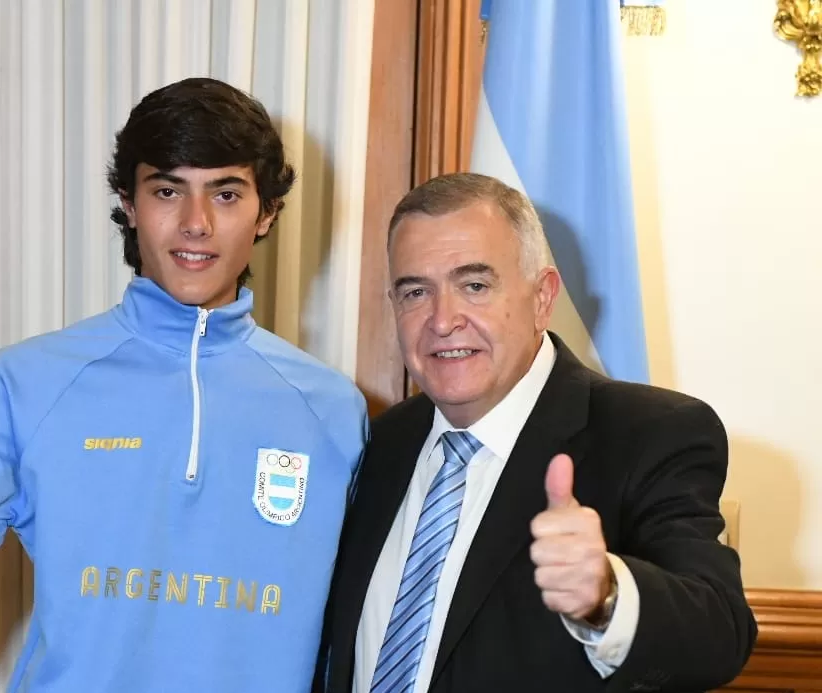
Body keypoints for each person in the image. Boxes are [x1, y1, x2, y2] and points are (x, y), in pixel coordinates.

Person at [0, 77, 368, 692]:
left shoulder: (334, 410)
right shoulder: (23, 385)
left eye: (226, 194)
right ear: (128, 202)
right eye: (168, 190)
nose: (195, 223)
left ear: (266, 212)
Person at [316, 172, 757, 693]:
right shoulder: (380, 443)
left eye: (474, 285)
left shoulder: (649, 434)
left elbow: (719, 632)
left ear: (543, 298)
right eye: (416, 291)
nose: (442, 319)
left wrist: (605, 594)